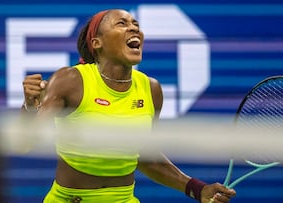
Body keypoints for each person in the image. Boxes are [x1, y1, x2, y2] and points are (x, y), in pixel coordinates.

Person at [20, 9, 236, 203]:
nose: (133, 28)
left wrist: (197, 189)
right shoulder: (70, 80)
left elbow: (144, 156)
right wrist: (29, 108)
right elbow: (25, 142)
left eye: (136, 25)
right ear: (97, 43)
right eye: (121, 24)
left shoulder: (151, 89)